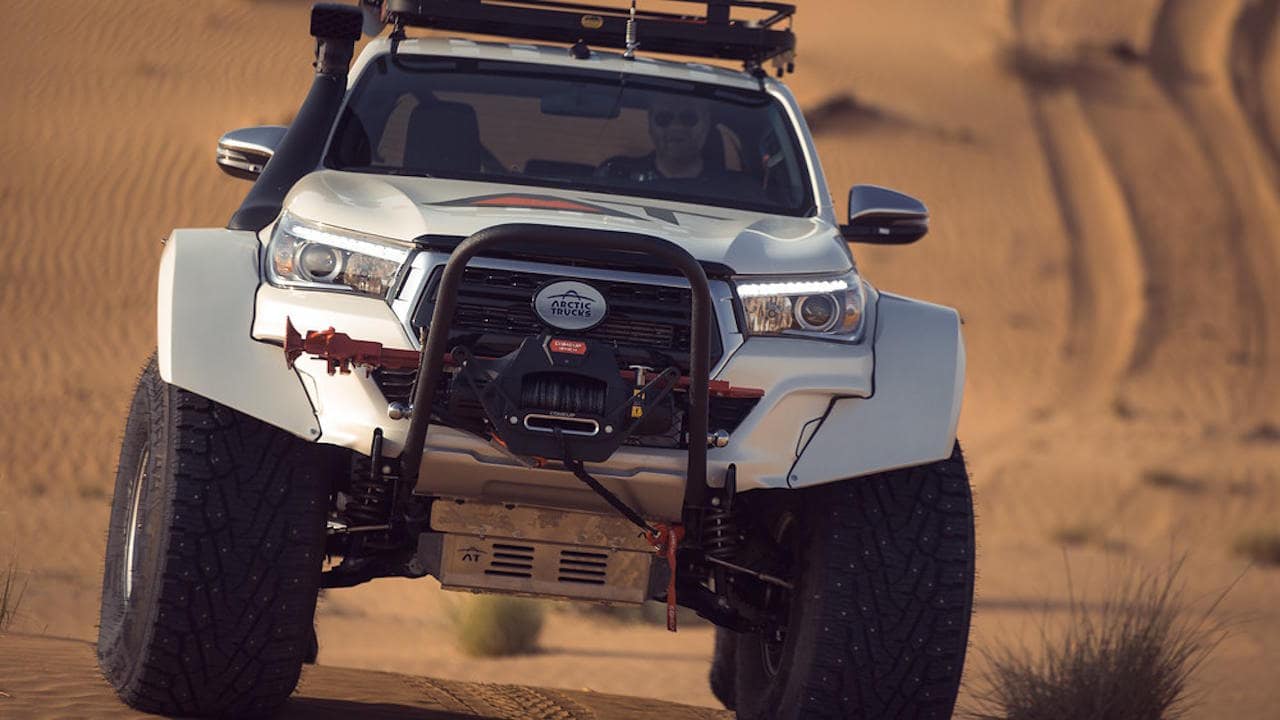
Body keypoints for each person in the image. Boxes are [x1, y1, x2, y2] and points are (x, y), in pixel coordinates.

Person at [597, 95, 715, 182]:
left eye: (689, 118)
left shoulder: (729, 188)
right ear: (650, 126)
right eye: (664, 118)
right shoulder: (616, 174)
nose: (676, 127)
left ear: (706, 123)